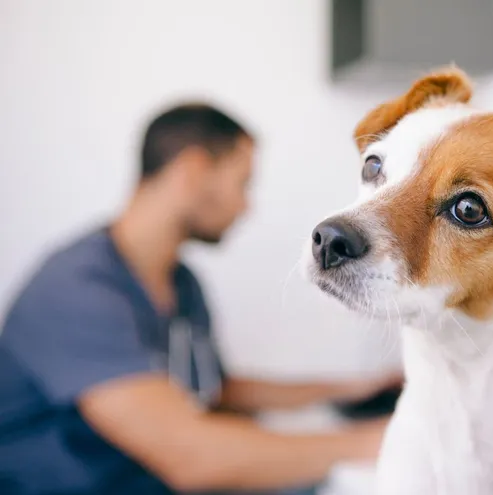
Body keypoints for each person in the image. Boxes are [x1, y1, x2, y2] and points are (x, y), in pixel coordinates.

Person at [0, 104, 400, 495]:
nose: (247, 206)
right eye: (242, 183)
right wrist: (387, 438)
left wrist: (347, 389)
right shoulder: (76, 288)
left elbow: (213, 389)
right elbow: (191, 457)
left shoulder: (182, 283)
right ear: (192, 171)